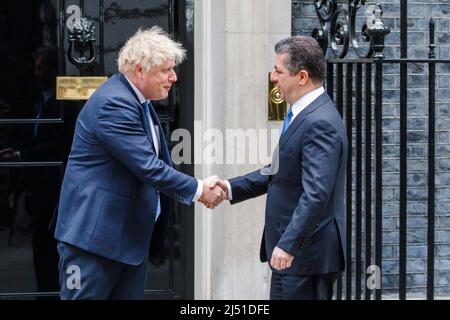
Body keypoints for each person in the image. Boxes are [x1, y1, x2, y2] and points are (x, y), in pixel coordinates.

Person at [53, 27, 225, 300]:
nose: (174, 77)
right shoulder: (115, 104)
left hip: (125, 241)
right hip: (94, 243)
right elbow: (149, 168)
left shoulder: (138, 101)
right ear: (140, 69)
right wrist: (199, 189)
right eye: (166, 70)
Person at [211, 36, 347, 300]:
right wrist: (228, 188)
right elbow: (278, 171)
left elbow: (316, 194)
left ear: (302, 77)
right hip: (298, 254)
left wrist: (288, 244)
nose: (273, 77)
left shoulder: (319, 123)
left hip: (303, 255)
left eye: (278, 71)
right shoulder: (305, 114)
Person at [0, 46, 61, 296]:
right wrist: (15, 150)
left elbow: (58, 141)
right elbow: (33, 136)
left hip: (53, 185)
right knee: (40, 246)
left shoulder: (61, 102)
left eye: (41, 69)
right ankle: (43, 291)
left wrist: (23, 155)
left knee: (49, 246)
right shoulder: (39, 100)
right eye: (36, 68)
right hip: (36, 186)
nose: (37, 74)